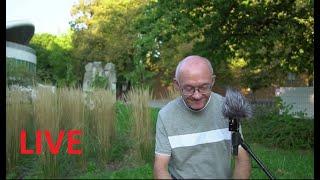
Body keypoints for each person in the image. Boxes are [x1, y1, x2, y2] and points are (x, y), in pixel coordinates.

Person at [154, 55, 251, 179]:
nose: (197, 95)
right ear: (177, 85)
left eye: (204, 87)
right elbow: (160, 168)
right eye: (189, 88)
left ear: (213, 81)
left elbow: (241, 159)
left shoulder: (230, 109)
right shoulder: (166, 115)